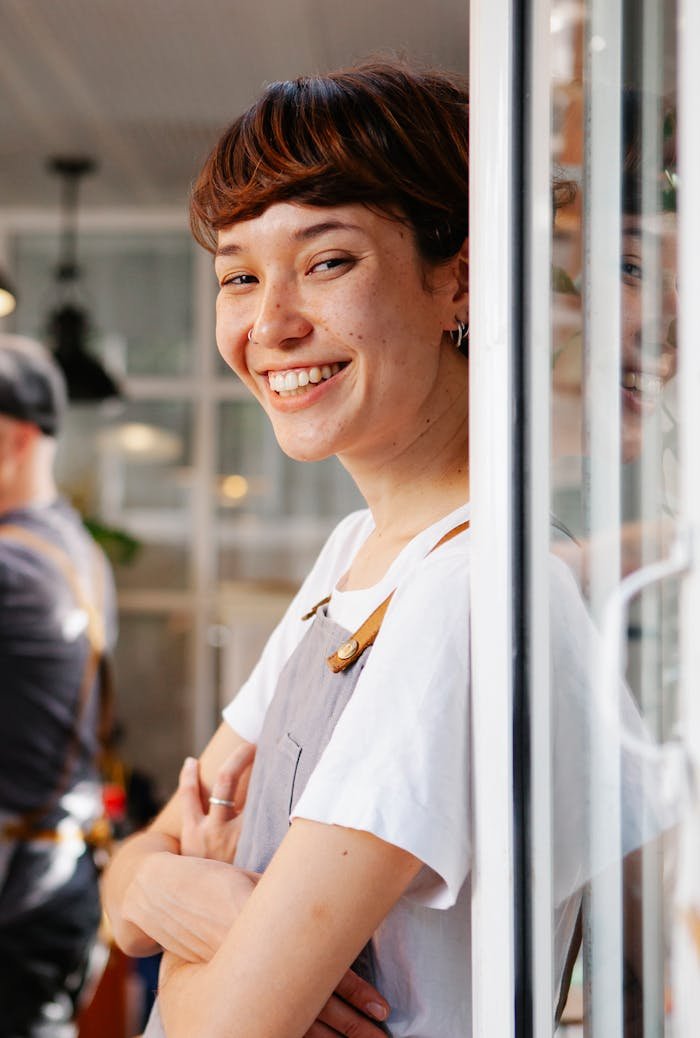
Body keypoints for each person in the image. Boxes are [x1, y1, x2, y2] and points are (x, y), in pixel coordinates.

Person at [103, 60, 653, 1037]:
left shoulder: (469, 589)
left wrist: (189, 928)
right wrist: (169, 889)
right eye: (239, 275)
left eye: (327, 262)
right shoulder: (360, 550)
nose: (271, 324)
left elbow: (221, 1029)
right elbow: (131, 875)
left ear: (461, 280)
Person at [0, 334, 117, 1037]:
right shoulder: (73, 545)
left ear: (14, 439)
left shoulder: (12, 565)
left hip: (19, 900)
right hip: (58, 878)